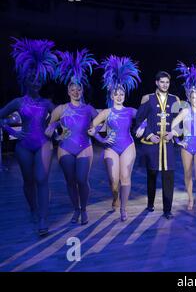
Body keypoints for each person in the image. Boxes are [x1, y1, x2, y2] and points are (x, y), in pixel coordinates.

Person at [0, 38, 58, 236]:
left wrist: (55, 125)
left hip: (43, 143)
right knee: (28, 182)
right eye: (32, 79)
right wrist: (11, 131)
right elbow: (1, 116)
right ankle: (33, 208)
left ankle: (43, 219)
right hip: (24, 145)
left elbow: (61, 116)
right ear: (25, 80)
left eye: (39, 79)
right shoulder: (17, 101)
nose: (36, 82)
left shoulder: (46, 103)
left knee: (42, 179)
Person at [45, 49, 98, 225]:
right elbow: (49, 128)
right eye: (72, 89)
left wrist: (94, 131)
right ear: (68, 91)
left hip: (84, 147)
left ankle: (84, 209)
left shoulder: (89, 109)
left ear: (82, 90)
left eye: (78, 89)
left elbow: (101, 124)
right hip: (65, 148)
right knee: (70, 181)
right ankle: (76, 209)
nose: (75, 91)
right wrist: (56, 134)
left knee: (82, 180)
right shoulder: (60, 109)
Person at [88, 55, 141, 221]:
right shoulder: (106, 112)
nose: (119, 96)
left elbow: (145, 119)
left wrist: (142, 127)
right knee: (114, 181)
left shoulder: (131, 111)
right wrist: (101, 139)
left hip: (127, 145)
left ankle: (123, 208)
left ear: (124, 95)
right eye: (116, 94)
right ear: (111, 96)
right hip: (111, 147)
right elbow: (91, 128)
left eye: (121, 93)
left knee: (125, 177)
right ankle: (115, 196)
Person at [135, 71, 180, 220]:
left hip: (168, 145)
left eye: (167, 82)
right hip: (152, 144)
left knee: (169, 177)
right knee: (152, 175)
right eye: (162, 82)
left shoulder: (175, 100)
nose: (165, 85)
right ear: (156, 83)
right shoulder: (148, 99)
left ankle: (167, 210)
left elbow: (181, 122)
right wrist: (148, 134)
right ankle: (150, 203)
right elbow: (138, 120)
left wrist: (173, 132)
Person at [171, 62, 196, 221]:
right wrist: (177, 140)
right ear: (189, 98)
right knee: (188, 175)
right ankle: (190, 198)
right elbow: (172, 125)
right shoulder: (185, 111)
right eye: (193, 97)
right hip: (186, 146)